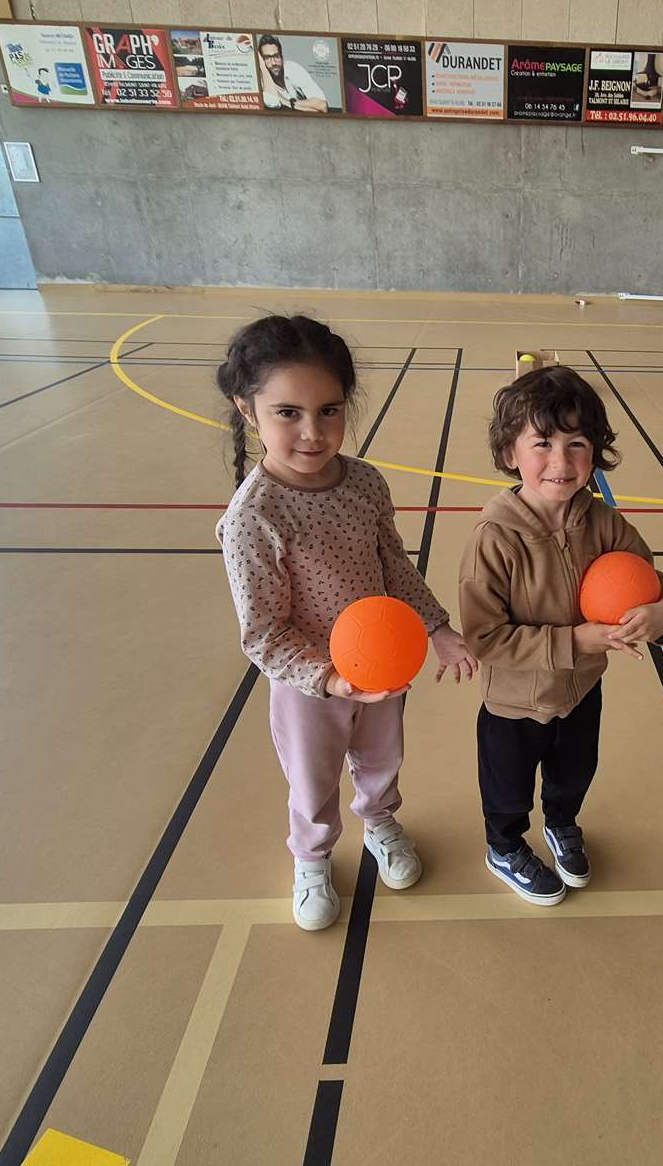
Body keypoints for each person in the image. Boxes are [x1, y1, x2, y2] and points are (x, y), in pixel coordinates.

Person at [214, 315, 476, 930]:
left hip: (384, 669)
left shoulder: (364, 483)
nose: (312, 431)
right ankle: (312, 857)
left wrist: (436, 628)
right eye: (288, 413)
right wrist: (330, 679)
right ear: (248, 410)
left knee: (382, 758)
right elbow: (263, 633)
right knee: (313, 780)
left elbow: (394, 565)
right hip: (311, 687)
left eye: (329, 410)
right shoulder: (254, 516)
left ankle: (380, 820)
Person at [459, 366, 663, 905]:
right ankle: (504, 846)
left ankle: (562, 822)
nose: (560, 462)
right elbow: (486, 638)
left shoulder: (604, 522)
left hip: (581, 691)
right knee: (508, 788)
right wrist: (575, 642)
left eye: (576, 444)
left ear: (595, 453)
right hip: (514, 704)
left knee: (574, 772)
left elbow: (650, 579)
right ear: (510, 452)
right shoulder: (494, 539)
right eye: (542, 443)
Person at [257, 34, 330, 113]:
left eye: (276, 56)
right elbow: (273, 102)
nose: (273, 63)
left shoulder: (292, 69)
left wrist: (288, 103)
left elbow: (323, 106)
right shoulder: (262, 82)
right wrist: (263, 67)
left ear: (281, 56)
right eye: (267, 58)